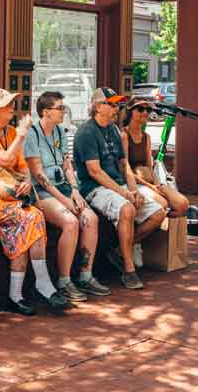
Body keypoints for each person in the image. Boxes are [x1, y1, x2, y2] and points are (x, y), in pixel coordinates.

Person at [0, 88, 70, 315]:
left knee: (24, 233)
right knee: (33, 216)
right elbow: (3, 158)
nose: (12, 108)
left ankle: (15, 296)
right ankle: (42, 283)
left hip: (11, 197)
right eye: (8, 104)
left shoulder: (11, 132)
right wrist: (23, 134)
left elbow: (22, 168)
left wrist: (25, 183)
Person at [73, 87, 166, 290]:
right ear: (98, 107)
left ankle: (119, 249)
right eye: (112, 104)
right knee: (127, 209)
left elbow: (124, 165)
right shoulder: (86, 132)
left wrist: (133, 190)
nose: (117, 108)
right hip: (95, 189)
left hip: (119, 185)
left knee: (158, 213)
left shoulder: (114, 130)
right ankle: (128, 270)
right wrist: (125, 194)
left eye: (117, 104)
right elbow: (95, 172)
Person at [23, 91, 111, 301]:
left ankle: (85, 275)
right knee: (71, 222)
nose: (64, 111)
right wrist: (65, 201)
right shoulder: (31, 134)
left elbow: (67, 165)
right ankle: (63, 281)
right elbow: (38, 174)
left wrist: (73, 189)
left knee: (91, 219)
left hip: (63, 187)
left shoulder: (60, 132)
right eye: (60, 108)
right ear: (46, 112)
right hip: (42, 191)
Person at [121, 95, 189, 229]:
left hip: (150, 180)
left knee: (182, 205)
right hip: (134, 182)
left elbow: (149, 166)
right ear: (131, 112)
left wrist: (157, 184)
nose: (145, 113)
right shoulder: (123, 135)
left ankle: (159, 232)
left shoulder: (147, 137)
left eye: (148, 110)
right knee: (162, 203)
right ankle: (135, 240)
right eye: (140, 109)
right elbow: (125, 168)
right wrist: (150, 186)